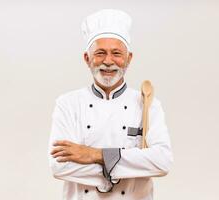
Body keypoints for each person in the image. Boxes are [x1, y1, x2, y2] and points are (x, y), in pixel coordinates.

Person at [48, 9, 173, 200]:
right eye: (100, 53)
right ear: (87, 59)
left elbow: (162, 162)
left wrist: (94, 154)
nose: (108, 61)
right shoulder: (68, 104)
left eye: (116, 53)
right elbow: (59, 166)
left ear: (128, 59)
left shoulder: (147, 103)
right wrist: (133, 163)